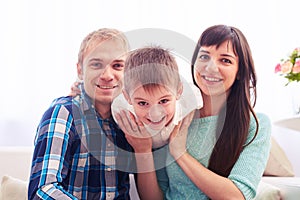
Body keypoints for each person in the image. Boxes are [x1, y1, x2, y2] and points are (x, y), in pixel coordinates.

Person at [117, 24, 272, 200]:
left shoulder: (256, 125)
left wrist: (180, 153)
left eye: (225, 60)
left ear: (239, 71)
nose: (211, 67)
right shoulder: (172, 116)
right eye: (204, 57)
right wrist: (142, 150)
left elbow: (236, 196)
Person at [28, 28, 136, 199]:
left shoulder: (129, 119)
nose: (107, 75)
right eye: (96, 65)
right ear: (80, 71)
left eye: (117, 66)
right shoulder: (63, 113)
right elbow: (42, 190)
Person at [112, 46, 202, 149]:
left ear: (179, 92)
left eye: (164, 101)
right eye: (143, 103)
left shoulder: (190, 99)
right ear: (127, 97)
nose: (155, 114)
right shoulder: (121, 111)